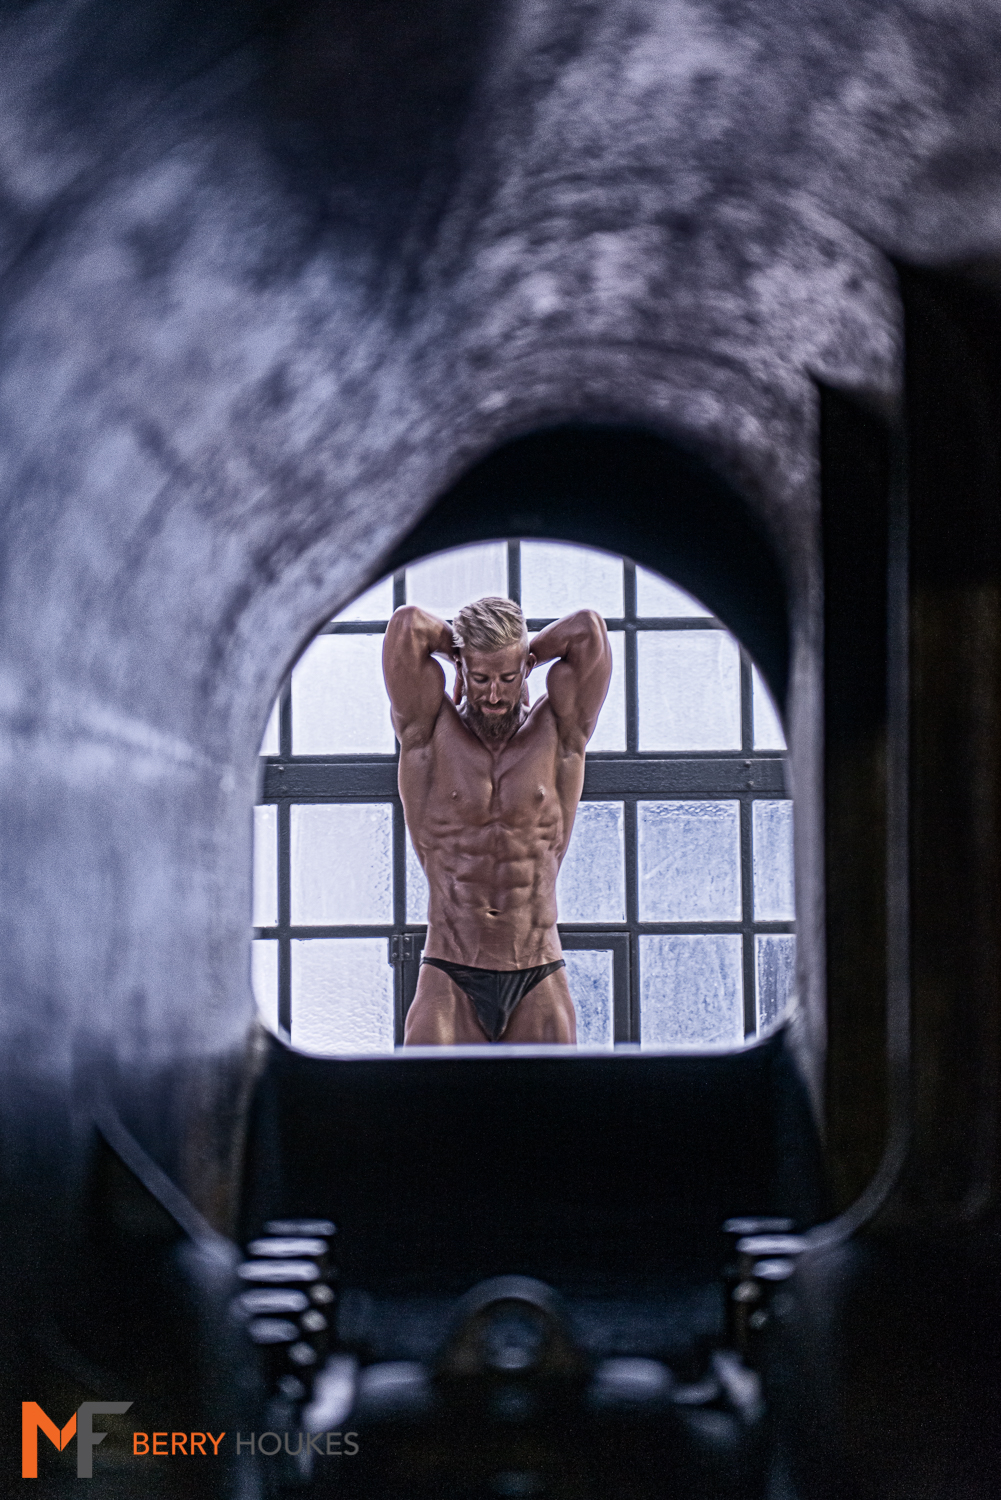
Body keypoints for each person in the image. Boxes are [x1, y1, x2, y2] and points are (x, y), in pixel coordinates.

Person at [382, 594, 612, 1044]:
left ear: (525, 670)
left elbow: (589, 629)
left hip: (537, 968)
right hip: (449, 969)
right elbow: (406, 626)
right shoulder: (427, 733)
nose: (494, 694)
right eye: (480, 677)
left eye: (507, 678)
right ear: (461, 668)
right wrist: (461, 648)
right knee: (418, 1091)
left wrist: (528, 653)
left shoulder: (559, 732)